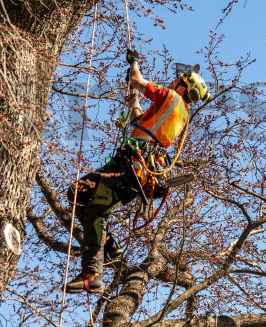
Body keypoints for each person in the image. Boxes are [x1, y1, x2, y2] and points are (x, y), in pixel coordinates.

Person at [64, 49, 210, 293]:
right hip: (129, 167)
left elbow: (137, 80)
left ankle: (93, 273)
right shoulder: (177, 113)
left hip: (132, 168)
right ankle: (110, 248)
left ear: (182, 88)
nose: (172, 81)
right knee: (77, 195)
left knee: (89, 208)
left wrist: (134, 62)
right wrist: (133, 97)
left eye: (177, 80)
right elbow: (139, 119)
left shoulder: (172, 97)